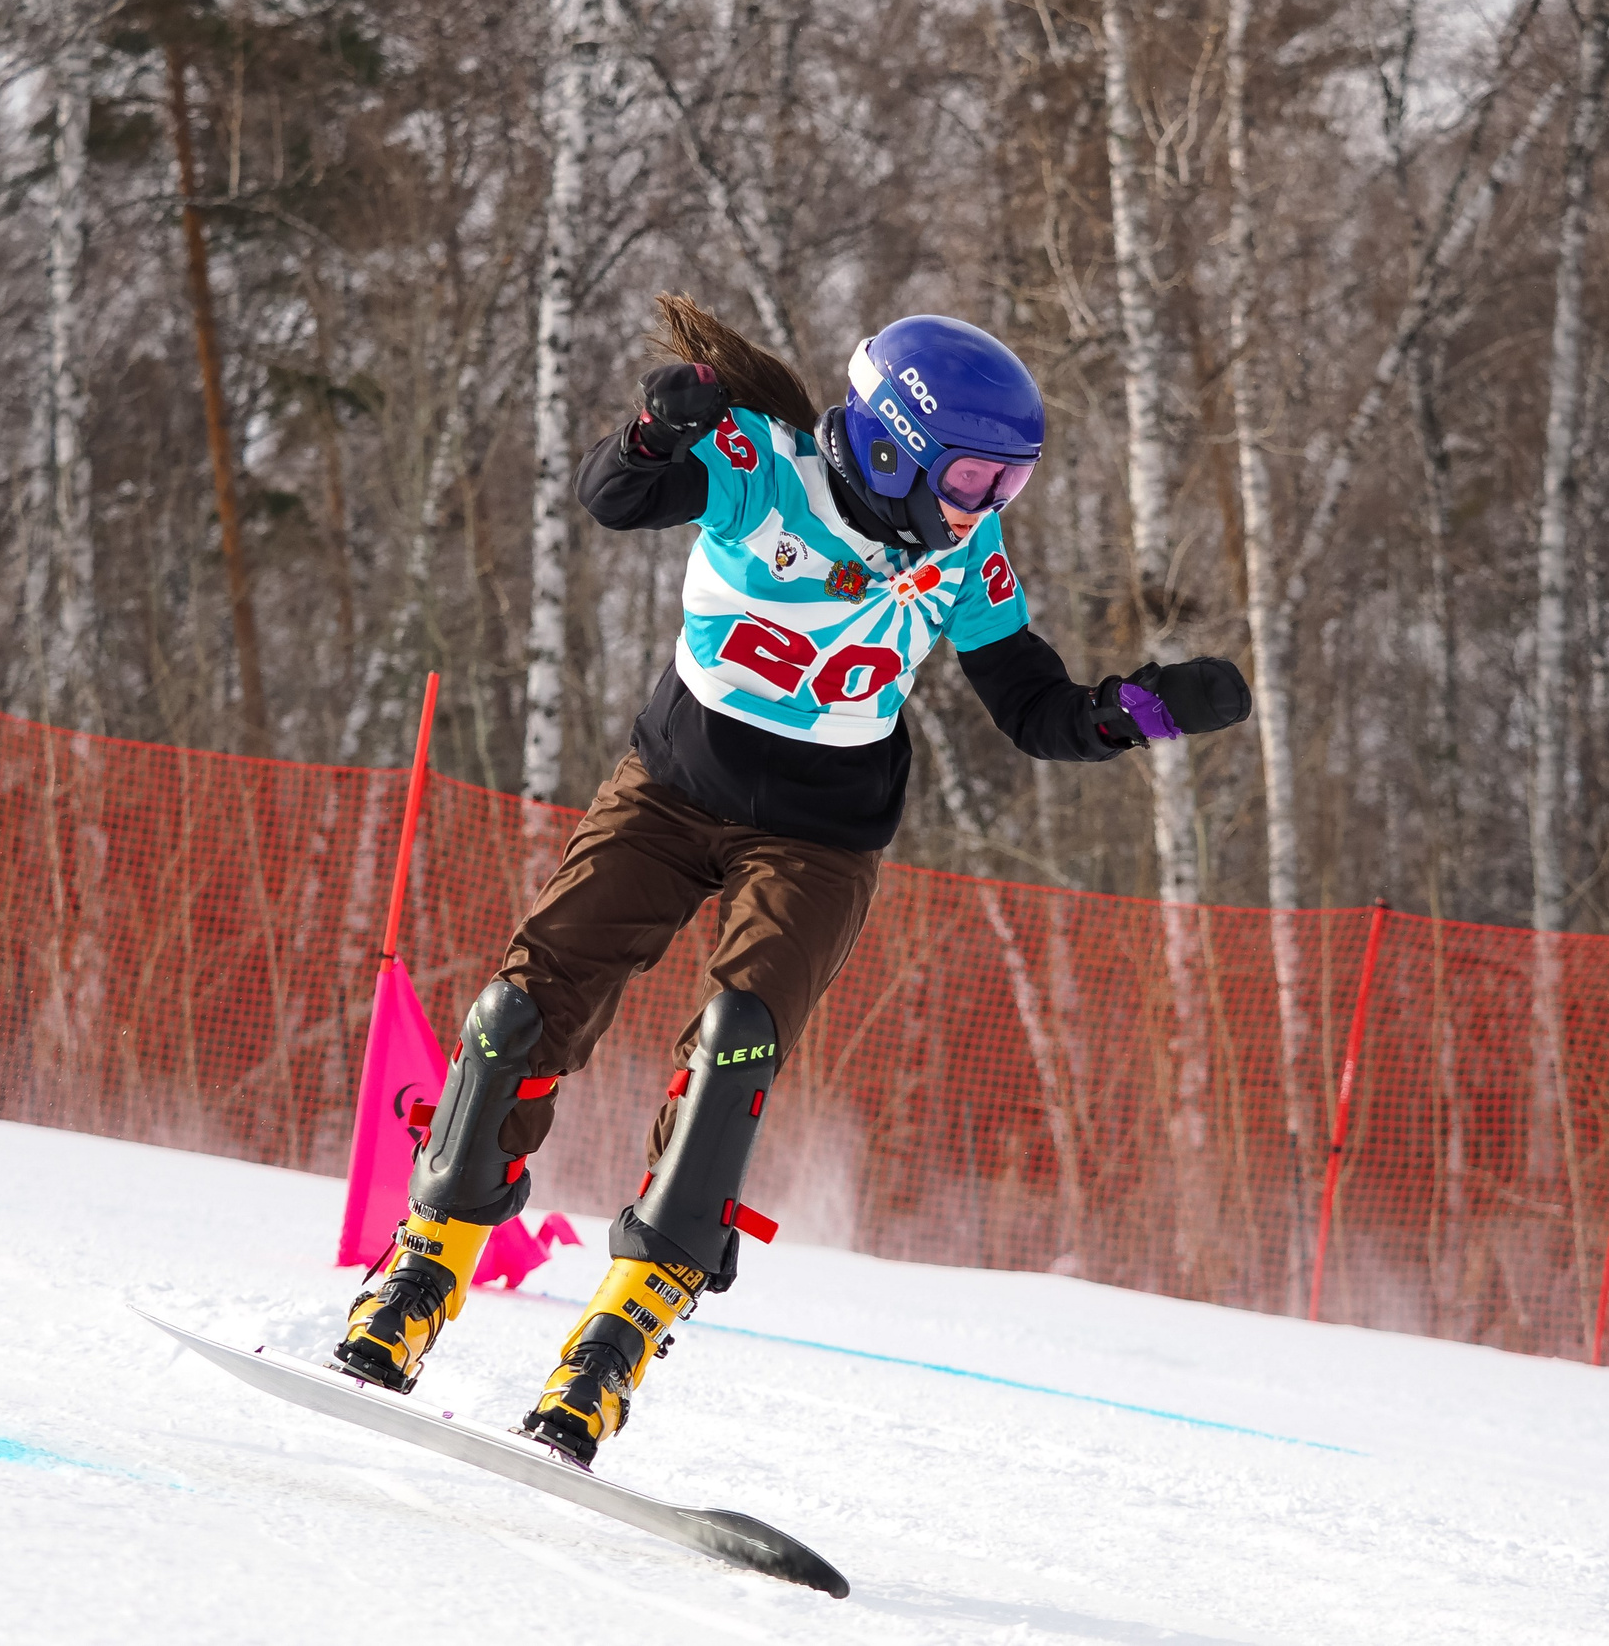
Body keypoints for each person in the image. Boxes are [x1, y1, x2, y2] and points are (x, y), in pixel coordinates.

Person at [334, 295, 1251, 1467]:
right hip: (670, 791)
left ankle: (614, 1341)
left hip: (819, 837)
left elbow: (1034, 711)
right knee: (520, 1009)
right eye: (973, 478)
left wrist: (1140, 711)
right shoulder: (761, 472)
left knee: (736, 1048)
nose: (985, 507)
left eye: (1007, 485)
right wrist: (652, 436)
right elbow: (614, 499)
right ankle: (422, 1272)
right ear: (893, 447)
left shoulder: (964, 556)